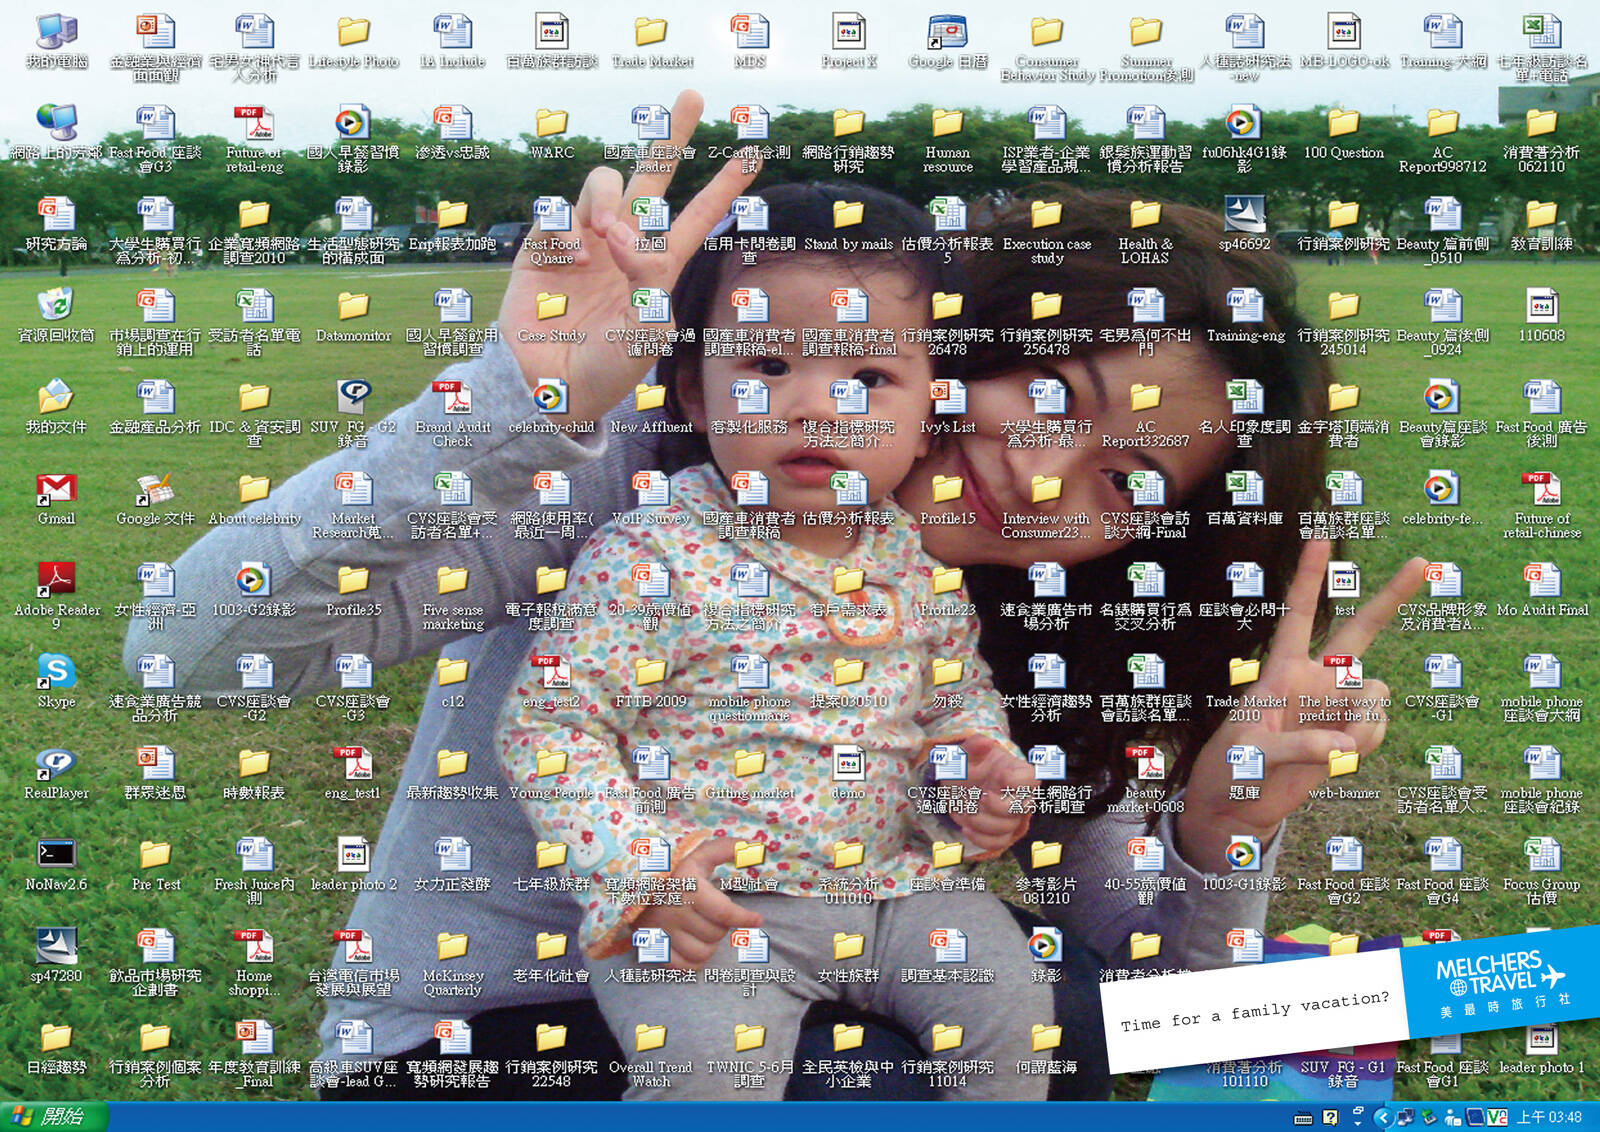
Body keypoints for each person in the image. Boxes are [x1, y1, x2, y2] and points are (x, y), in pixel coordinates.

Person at [125, 92, 1423, 1100]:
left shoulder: (1018, 627)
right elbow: (188, 646)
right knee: (869, 1075)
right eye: (1053, 394)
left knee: (1047, 1009)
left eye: (1125, 479)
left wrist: (1222, 826)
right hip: (486, 1042)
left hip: (830, 977)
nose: (1040, 475)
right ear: (968, 332)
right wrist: (512, 401)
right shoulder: (643, 486)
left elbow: (1170, 1009)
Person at [498, 183, 1048, 1099]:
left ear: (928, 420)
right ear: (695, 393)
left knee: (1014, 1008)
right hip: (710, 910)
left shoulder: (914, 565)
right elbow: (551, 726)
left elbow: (955, 698)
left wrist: (978, 768)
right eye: (768, 364)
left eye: (868, 379)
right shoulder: (654, 554)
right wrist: (639, 869)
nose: (814, 406)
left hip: (896, 890)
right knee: (710, 1074)